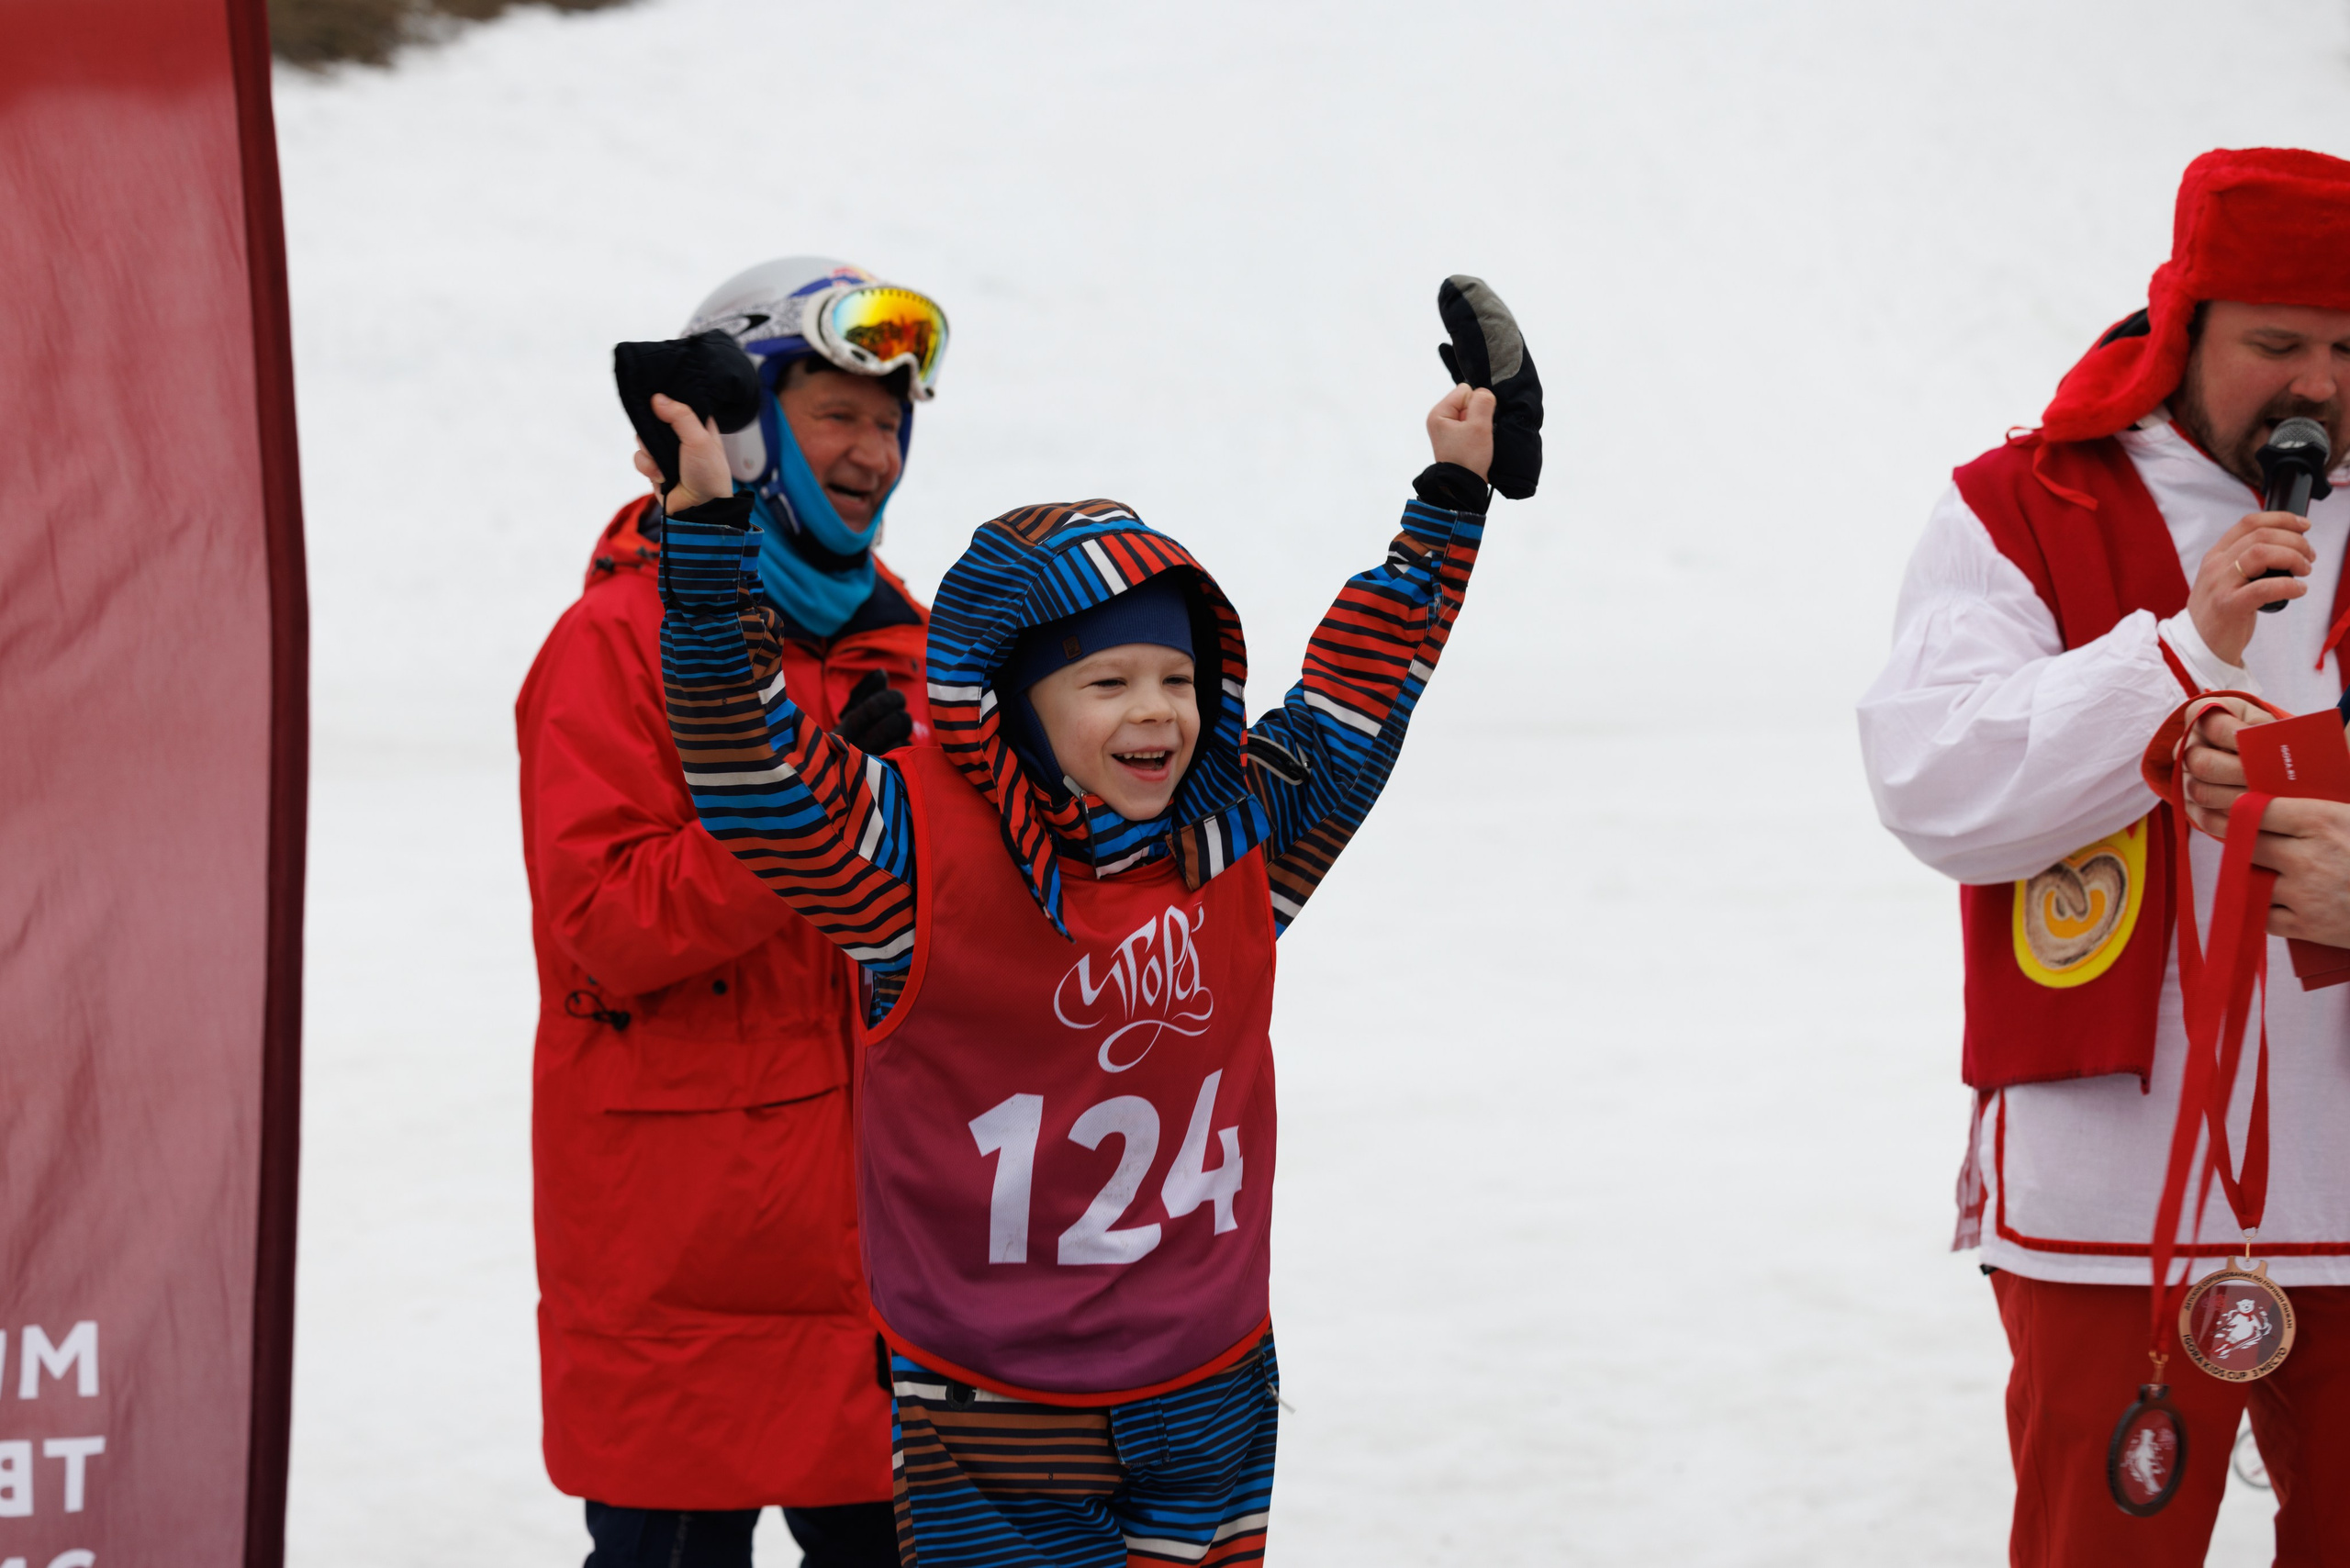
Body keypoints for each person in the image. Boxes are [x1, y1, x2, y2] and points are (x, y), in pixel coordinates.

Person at [648, 278, 1539, 1567]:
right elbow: (751, 766)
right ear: (1007, 703)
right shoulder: (908, 861)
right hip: (998, 1408)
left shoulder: (1231, 839)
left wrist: (1450, 500)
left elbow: (1356, 699)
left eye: (1180, 678)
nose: (1157, 712)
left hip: (1213, 1385)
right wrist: (707, 542)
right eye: (1107, 680)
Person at [1857, 148, 2350, 1566]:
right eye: (2276, 345)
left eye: (2345, 347)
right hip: (2113, 1192)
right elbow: (1936, 785)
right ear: (2185, 325)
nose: (2316, 386)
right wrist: (2181, 655)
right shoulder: (2023, 506)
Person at [517, 257, 948, 1568]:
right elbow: (604, 925)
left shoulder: (922, 656)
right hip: (682, 1271)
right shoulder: (611, 643)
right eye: (838, 415)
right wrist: (801, 821)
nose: (873, 453)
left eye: (891, 421)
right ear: (747, 424)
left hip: (885, 1264)